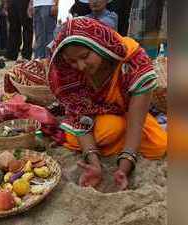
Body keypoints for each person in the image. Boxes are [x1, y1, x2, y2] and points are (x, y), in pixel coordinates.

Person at [48, 17, 166, 190]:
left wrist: (123, 168)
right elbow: (81, 121)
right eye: (72, 61)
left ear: (100, 45)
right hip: (98, 122)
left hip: (130, 115)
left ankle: (119, 145)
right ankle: (111, 143)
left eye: (85, 56)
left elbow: (135, 124)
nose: (80, 66)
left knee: (159, 145)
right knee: (110, 130)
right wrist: (94, 163)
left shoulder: (133, 62)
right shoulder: (71, 75)